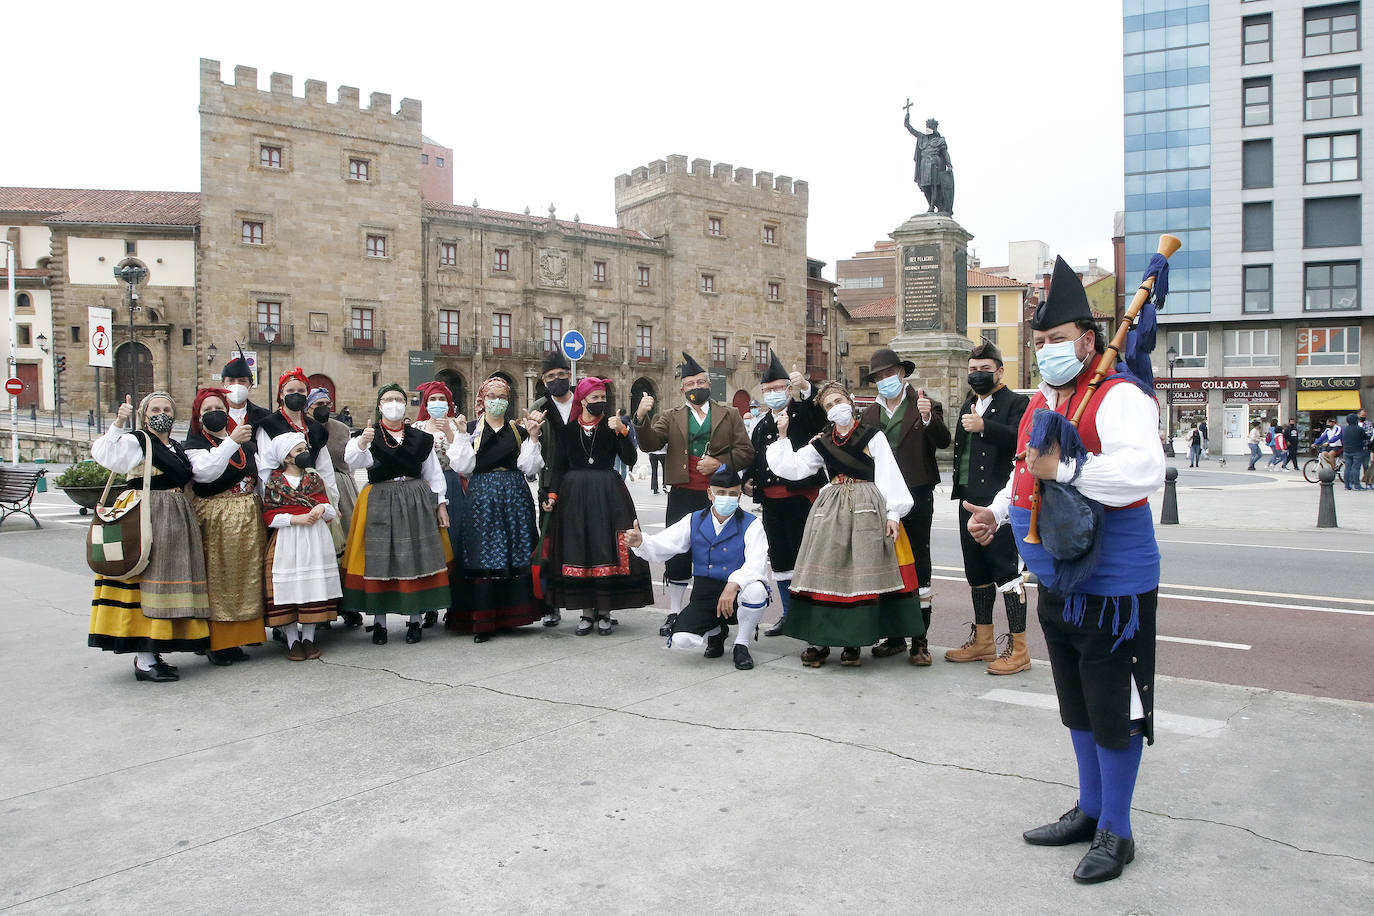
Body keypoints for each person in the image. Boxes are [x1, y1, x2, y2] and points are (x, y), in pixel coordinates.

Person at [965, 255, 1165, 884]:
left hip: (1112, 580)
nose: (1047, 351)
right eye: (1040, 342)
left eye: (1056, 341)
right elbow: (1026, 472)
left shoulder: (1118, 394)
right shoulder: (1045, 403)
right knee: (1076, 705)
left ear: (1087, 340)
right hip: (1053, 574)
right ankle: (1089, 809)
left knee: (1114, 707)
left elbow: (1143, 472)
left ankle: (1118, 830)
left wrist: (1070, 469)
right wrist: (997, 512)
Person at [767, 380, 923, 668]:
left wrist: (893, 514)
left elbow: (888, 472)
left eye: (839, 401)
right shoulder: (822, 442)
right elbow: (793, 467)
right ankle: (821, 639)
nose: (835, 407)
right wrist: (782, 435)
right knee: (826, 571)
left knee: (863, 573)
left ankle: (854, 642)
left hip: (868, 505)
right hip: (832, 510)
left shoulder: (872, 436)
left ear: (850, 403)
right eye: (829, 405)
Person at [88, 393, 211, 682]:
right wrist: (119, 422)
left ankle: (153, 652)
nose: (162, 413)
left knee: (163, 582)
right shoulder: (137, 440)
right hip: (146, 514)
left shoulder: (176, 447)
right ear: (145, 414)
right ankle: (144, 658)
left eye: (167, 408)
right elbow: (107, 456)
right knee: (145, 580)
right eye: (155, 409)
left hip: (175, 515)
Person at [633, 352, 755, 637]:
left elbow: (747, 452)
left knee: (718, 553)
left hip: (718, 496)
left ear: (709, 385)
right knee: (678, 552)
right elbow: (650, 444)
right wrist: (641, 417)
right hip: (683, 494)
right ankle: (674, 611)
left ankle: (715, 610)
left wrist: (721, 463)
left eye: (700, 382)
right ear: (682, 389)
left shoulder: (730, 414)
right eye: (689, 384)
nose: (695, 387)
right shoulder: (671, 417)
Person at [342, 384, 456, 645]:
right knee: (380, 560)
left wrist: (440, 505)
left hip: (415, 500)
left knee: (414, 558)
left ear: (406, 405)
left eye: (398, 399)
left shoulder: (420, 438)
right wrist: (361, 441)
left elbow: (433, 474)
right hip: (380, 498)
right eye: (388, 399)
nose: (393, 403)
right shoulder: (368, 436)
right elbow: (352, 461)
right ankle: (379, 623)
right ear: (380, 405)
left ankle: (415, 621)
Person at [626, 464, 771, 671]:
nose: (726, 498)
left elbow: (756, 563)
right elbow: (665, 544)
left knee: (756, 591)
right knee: (682, 639)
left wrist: (734, 584)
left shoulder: (751, 524)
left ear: (740, 497)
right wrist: (641, 542)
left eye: (732, 494)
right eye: (721, 493)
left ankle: (742, 644)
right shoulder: (694, 519)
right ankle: (715, 632)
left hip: (738, 591)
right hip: (705, 591)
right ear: (710, 494)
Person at [538, 377, 654, 635]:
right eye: (595, 398)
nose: (600, 402)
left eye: (603, 398)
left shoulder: (612, 427)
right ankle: (586, 612)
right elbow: (559, 466)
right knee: (579, 548)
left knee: (605, 547)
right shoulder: (567, 431)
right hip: (574, 496)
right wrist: (553, 496)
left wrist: (623, 433)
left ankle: (605, 611)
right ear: (582, 400)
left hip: (607, 494)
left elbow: (630, 458)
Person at [859, 347, 951, 665]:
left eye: (889, 374)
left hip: (918, 494)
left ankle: (920, 641)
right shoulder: (869, 415)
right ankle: (894, 636)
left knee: (920, 564)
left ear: (902, 373)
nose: (885, 380)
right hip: (882, 501)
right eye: (879, 377)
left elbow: (943, 441)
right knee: (890, 565)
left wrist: (927, 417)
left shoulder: (924, 403)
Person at [947, 338, 1032, 674]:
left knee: (1006, 572)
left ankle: (1020, 648)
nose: (978, 374)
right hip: (968, 498)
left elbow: (1024, 442)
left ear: (1000, 371)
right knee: (976, 571)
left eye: (984, 369)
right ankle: (983, 641)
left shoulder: (1015, 403)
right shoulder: (970, 402)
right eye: (973, 370)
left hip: (1002, 501)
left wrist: (986, 428)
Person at [450, 376, 546, 642]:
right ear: (482, 399)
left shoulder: (518, 430)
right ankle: (483, 619)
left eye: (503, 397)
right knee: (483, 553)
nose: (497, 402)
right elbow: (463, 467)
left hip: (514, 495)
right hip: (482, 496)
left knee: (515, 550)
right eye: (492, 397)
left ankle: (512, 614)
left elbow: (529, 468)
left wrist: (534, 437)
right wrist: (459, 436)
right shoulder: (471, 429)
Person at [739, 351, 824, 638]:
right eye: (767, 390)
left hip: (802, 499)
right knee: (780, 560)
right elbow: (754, 458)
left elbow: (821, 417)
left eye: (777, 388)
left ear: (788, 388)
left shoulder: (803, 413)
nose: (772, 394)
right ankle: (789, 615)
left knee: (805, 558)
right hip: (772, 504)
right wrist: (747, 482)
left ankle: (810, 617)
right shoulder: (762, 423)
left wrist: (806, 390)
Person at [183, 387, 266, 666]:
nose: (214, 413)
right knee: (221, 578)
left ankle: (244, 634)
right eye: (207, 410)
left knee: (248, 577)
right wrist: (231, 440)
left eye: (218, 408)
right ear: (198, 416)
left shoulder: (244, 441)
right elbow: (206, 473)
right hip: (217, 515)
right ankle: (217, 641)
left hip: (248, 513)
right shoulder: (195, 445)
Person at [261, 433, 342, 660]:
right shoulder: (275, 482)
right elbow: (269, 515)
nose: (304, 454)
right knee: (287, 588)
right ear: (286, 458)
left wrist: (320, 510)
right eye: (298, 451)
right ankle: (291, 640)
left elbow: (329, 507)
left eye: (304, 448)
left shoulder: (314, 479)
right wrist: (294, 519)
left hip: (314, 537)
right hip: (288, 539)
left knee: (312, 587)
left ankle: (308, 637)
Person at [413, 380, 469, 628]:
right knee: (428, 544)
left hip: (451, 484)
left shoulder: (457, 427)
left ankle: (454, 602)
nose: (437, 404)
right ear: (426, 403)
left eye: (441, 400)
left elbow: (463, 463)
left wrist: (449, 431)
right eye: (432, 400)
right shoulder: (415, 427)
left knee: (454, 542)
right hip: (423, 489)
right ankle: (429, 604)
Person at [220, 348, 271, 431]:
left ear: (250, 386)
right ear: (223, 385)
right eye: (231, 381)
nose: (236, 385)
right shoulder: (211, 415)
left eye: (242, 381)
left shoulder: (264, 416)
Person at [1340, 412, 1369, 491]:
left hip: (1346, 451)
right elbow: (1365, 438)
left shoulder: (1345, 429)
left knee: (1347, 468)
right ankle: (1356, 485)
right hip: (1357, 450)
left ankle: (1347, 485)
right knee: (1356, 468)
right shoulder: (1359, 429)